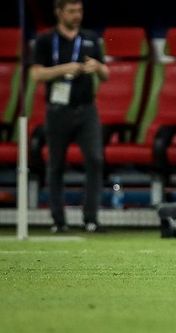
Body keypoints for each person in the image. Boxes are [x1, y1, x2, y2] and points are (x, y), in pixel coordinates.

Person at [31, 0, 109, 233]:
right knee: (55, 164)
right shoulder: (45, 40)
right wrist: (64, 69)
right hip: (57, 110)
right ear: (59, 12)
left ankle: (91, 218)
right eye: (72, 11)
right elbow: (36, 74)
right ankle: (58, 220)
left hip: (86, 109)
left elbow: (105, 74)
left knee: (95, 160)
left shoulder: (90, 38)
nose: (77, 15)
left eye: (80, 10)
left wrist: (97, 67)